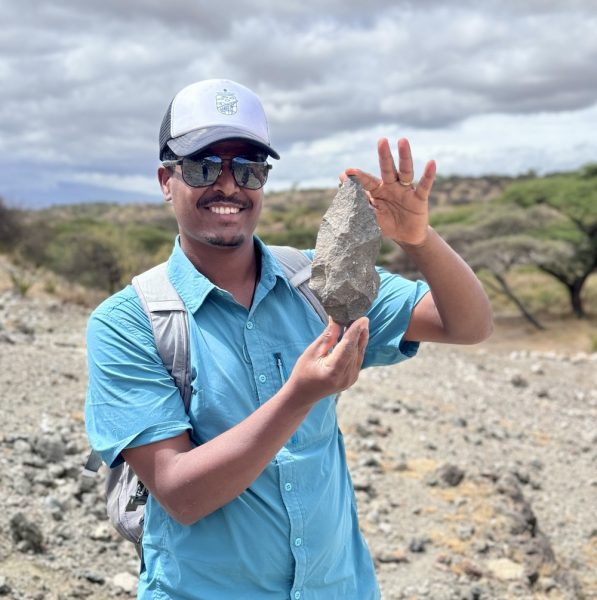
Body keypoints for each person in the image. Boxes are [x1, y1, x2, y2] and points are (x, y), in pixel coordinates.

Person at [85, 78, 493, 599]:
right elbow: (179, 494)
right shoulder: (128, 323)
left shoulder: (318, 282)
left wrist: (421, 241)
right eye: (203, 166)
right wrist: (300, 396)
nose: (229, 186)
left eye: (249, 167)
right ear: (167, 180)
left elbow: (467, 325)